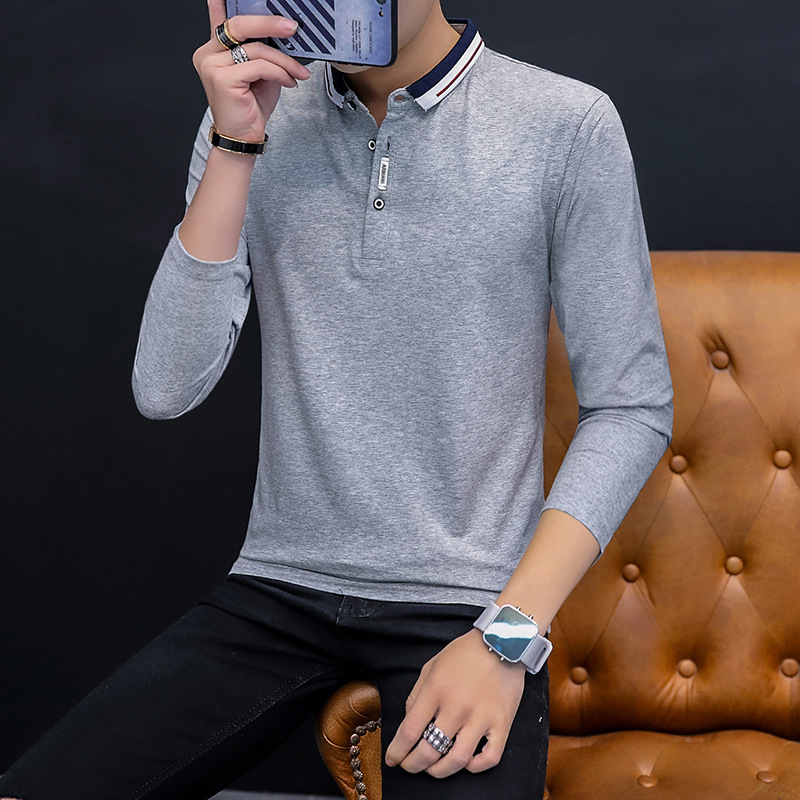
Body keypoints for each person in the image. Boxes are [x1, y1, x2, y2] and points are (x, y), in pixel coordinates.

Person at [0, 0, 673, 798]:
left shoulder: (566, 123)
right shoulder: (251, 121)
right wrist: (237, 145)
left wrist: (507, 636)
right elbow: (165, 387)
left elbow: (631, 409)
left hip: (465, 603)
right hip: (278, 587)